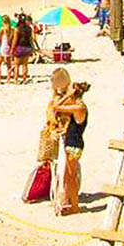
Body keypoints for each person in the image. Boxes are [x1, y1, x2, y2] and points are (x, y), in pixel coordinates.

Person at [51, 81, 90, 215]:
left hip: (74, 145)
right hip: (73, 143)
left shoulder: (79, 108)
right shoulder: (79, 107)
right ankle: (71, 203)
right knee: (68, 177)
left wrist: (67, 95)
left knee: (71, 176)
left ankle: (75, 206)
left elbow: (56, 107)